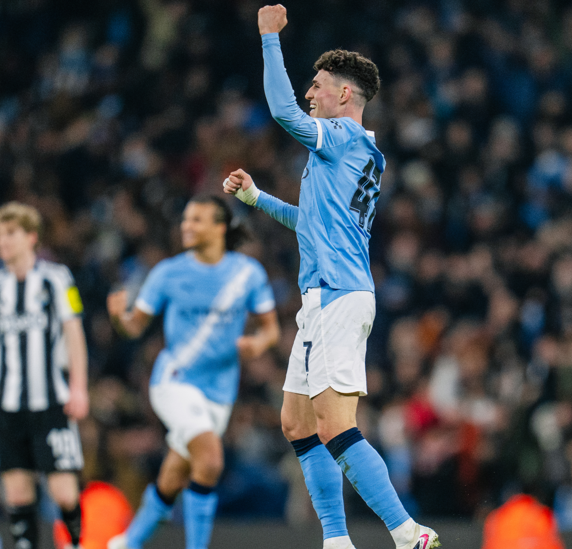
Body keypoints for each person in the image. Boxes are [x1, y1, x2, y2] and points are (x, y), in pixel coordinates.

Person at [223, 5, 440, 549]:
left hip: (340, 298)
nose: (307, 94)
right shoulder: (358, 155)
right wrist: (256, 198)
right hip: (324, 299)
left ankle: (407, 530)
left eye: (317, 86)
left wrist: (269, 39)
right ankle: (336, 540)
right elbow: (308, 225)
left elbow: (280, 111)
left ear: (345, 96)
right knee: (296, 423)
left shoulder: (343, 139)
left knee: (334, 427)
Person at [106, 196, 280, 549]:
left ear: (220, 227)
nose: (186, 226)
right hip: (174, 381)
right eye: (186, 219)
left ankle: (126, 543)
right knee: (211, 459)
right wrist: (117, 318)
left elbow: (270, 329)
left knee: (175, 475)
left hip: (220, 390)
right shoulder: (168, 273)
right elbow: (135, 327)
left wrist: (258, 345)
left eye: (197, 219)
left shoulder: (247, 274)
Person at [0, 202, 89, 549]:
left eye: (11, 233)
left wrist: (79, 386)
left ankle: (75, 544)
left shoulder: (56, 279)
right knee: (17, 493)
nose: (2, 242)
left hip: (52, 402)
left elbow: (73, 333)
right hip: (8, 406)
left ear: (31, 237)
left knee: (64, 492)